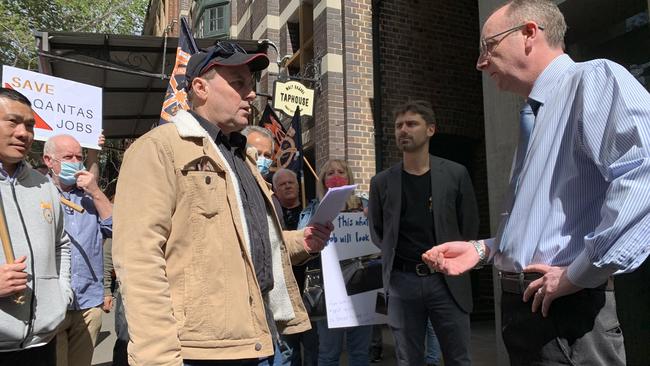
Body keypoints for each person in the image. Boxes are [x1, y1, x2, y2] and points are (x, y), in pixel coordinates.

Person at [423, 1, 650, 365]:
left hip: (566, 316)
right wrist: (485, 250)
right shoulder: (536, 113)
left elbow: (643, 177)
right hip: (532, 313)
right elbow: (550, 224)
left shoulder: (593, 79)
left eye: (488, 46)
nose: (481, 62)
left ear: (529, 33)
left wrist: (580, 274)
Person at [112, 41, 333, 365]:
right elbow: (139, 259)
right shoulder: (158, 149)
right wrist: (158, 358)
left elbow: (252, 243)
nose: (251, 95)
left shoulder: (241, 159)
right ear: (200, 88)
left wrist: (304, 241)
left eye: (251, 84)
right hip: (201, 352)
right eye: (238, 83)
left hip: (263, 340)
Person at [368, 100, 479, 366]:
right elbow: (378, 231)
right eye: (398, 126)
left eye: (411, 124)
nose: (403, 131)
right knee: (408, 359)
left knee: (458, 358)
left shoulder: (455, 174)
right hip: (402, 281)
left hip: (447, 280)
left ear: (430, 130)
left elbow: (470, 226)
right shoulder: (382, 182)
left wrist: (453, 260)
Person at [0, 87, 72, 365]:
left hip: (42, 342)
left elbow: (61, 244)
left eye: (29, 125)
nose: (23, 133)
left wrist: (60, 294)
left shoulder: (44, 185)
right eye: (13, 122)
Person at [42, 134, 113, 366]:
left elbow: (115, 228)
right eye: (67, 157)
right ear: (48, 161)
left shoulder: (90, 197)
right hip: (51, 304)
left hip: (88, 304)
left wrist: (95, 191)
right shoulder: (36, 192)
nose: (75, 161)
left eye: (79, 157)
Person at [298, 159, 373, 366]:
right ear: (322, 180)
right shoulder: (312, 209)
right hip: (328, 290)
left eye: (341, 172)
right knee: (329, 354)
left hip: (361, 285)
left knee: (359, 353)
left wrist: (373, 219)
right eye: (330, 173)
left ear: (350, 178)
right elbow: (301, 247)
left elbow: (380, 240)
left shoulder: (365, 205)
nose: (336, 176)